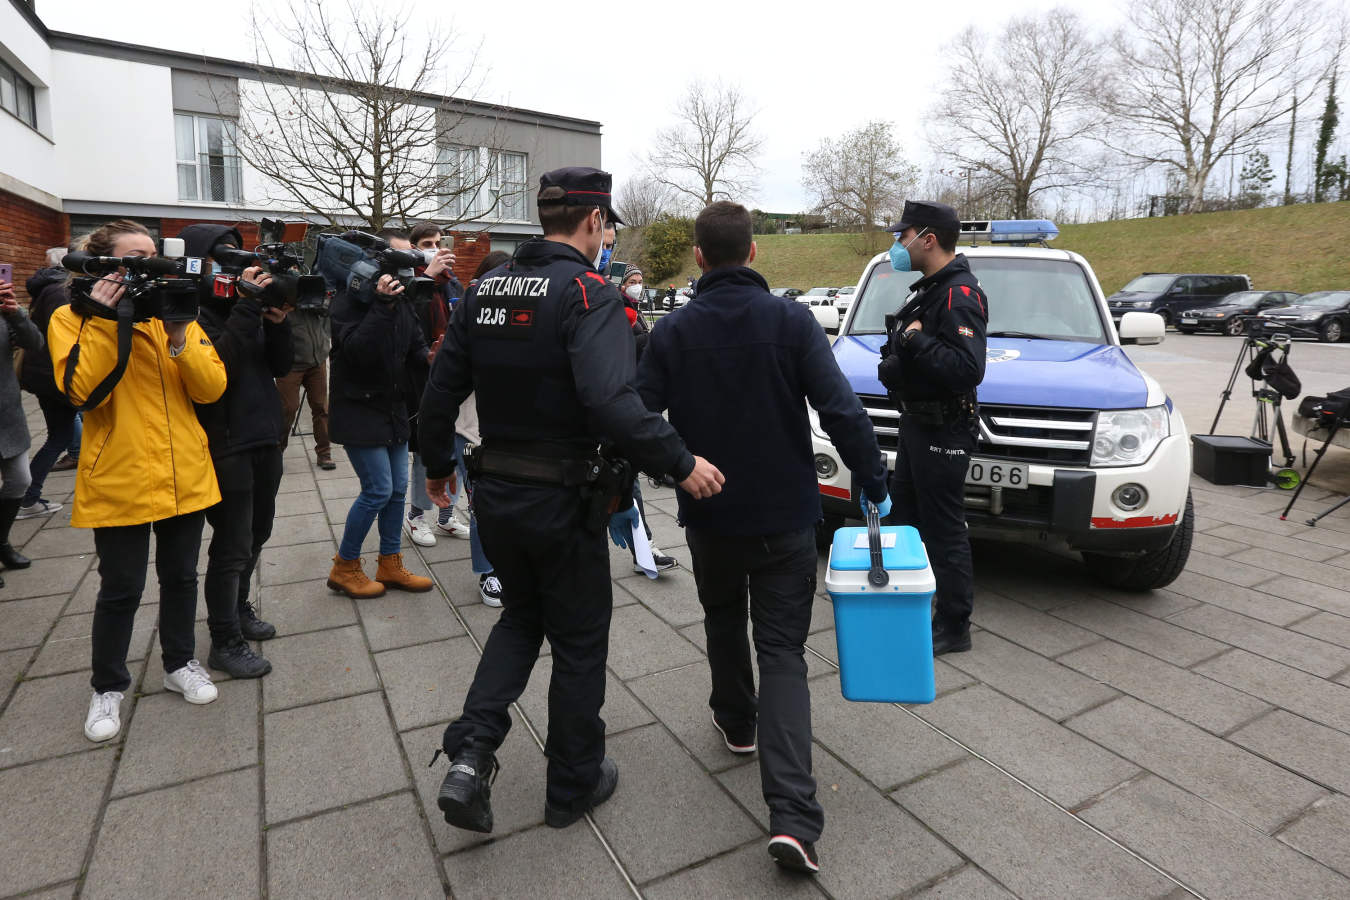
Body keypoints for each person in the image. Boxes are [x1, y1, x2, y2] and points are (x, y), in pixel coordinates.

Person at [419, 166, 725, 834]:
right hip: (563, 501)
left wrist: (437, 466)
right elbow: (609, 399)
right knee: (581, 642)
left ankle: (471, 753)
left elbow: (440, 390)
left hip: (496, 494)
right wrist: (680, 461)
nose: (608, 237)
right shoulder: (588, 294)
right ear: (592, 221)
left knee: (521, 619)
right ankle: (572, 784)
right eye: (608, 225)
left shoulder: (484, 289)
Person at [637, 201, 888, 875]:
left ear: (698, 256)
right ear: (753, 253)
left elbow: (637, 417)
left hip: (711, 513)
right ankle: (795, 820)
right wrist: (872, 476)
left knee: (722, 617)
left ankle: (737, 722)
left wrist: (675, 467)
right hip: (785, 518)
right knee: (782, 652)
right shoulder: (791, 321)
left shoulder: (671, 334)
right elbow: (840, 407)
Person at [47, 220, 227, 742]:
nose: (147, 266)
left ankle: (179, 663)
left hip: (184, 472)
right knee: (121, 588)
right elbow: (83, 392)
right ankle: (108, 686)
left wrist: (178, 337)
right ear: (103, 263)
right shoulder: (71, 317)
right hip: (119, 474)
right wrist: (104, 320)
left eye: (152, 255)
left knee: (181, 578)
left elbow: (212, 388)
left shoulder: (174, 314)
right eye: (133, 257)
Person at [876, 200, 988, 656]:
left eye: (903, 236)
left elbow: (966, 369)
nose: (897, 245)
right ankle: (904, 602)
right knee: (904, 517)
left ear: (929, 239)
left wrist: (914, 340)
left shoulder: (958, 293)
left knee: (944, 528)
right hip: (918, 424)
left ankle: (955, 625)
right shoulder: (930, 288)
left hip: (943, 429)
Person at [180, 224, 290, 679]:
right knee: (231, 545)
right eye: (222, 258)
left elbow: (281, 367)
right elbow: (216, 372)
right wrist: (247, 308)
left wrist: (279, 324)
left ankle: (239, 607)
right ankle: (224, 639)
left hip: (264, 436)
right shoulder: (189, 316)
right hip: (226, 443)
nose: (236, 268)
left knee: (258, 533)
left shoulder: (245, 308)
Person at [324, 227, 435, 598]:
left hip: (393, 407)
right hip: (358, 408)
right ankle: (346, 566)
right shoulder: (346, 301)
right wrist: (381, 306)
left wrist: (433, 357)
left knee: (399, 490)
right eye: (394, 260)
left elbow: (415, 346)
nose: (403, 271)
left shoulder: (402, 300)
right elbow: (357, 351)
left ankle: (390, 563)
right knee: (378, 489)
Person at [392, 225, 467, 546]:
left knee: (460, 448)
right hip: (421, 380)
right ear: (414, 249)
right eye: (428, 244)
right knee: (427, 450)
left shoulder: (454, 285)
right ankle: (417, 516)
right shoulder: (410, 283)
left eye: (439, 243)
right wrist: (428, 277)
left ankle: (447, 516)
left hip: (455, 378)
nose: (436, 248)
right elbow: (408, 324)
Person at [453, 250, 510, 607]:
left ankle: (508, 563)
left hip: (509, 428)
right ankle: (488, 571)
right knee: (481, 504)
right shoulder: (469, 315)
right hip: (471, 428)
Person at [616, 266, 678, 575]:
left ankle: (644, 549)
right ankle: (644, 550)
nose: (638, 287)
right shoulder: (619, 313)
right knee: (626, 481)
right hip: (622, 402)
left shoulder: (636, 312)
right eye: (632, 282)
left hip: (635, 399)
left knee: (628, 482)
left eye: (640, 282)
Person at [17, 251, 77, 519]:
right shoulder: (59, 291)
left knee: (59, 435)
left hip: (43, 374)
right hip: (51, 376)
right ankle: (27, 497)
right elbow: (63, 338)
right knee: (58, 437)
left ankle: (27, 495)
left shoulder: (51, 287)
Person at [0, 274, 43, 584]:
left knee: (19, 480)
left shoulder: (5, 310)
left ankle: (2, 542)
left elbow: (35, 343)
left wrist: (15, 313)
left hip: (7, 413)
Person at [276, 259, 335, 471]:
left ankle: (324, 453)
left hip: (317, 359)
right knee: (287, 409)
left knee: (321, 407)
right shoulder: (280, 296)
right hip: (291, 363)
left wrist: (318, 299)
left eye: (296, 270)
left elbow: (329, 310)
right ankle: (276, 452)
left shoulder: (313, 290)